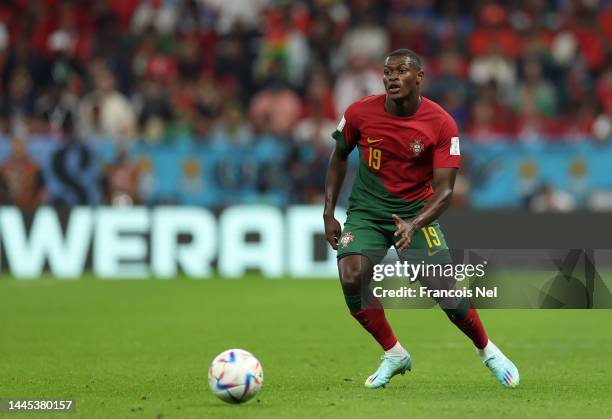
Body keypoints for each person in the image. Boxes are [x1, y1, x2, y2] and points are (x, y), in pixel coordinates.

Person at [323, 49, 519, 389]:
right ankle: (394, 353)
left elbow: (445, 192)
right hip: (366, 212)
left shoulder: (441, 123)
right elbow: (339, 155)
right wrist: (328, 211)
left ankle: (487, 350)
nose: (392, 78)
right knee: (351, 276)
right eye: (387, 72)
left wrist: (415, 224)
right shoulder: (359, 113)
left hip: (415, 213)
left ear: (419, 78)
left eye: (401, 71)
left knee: (445, 293)